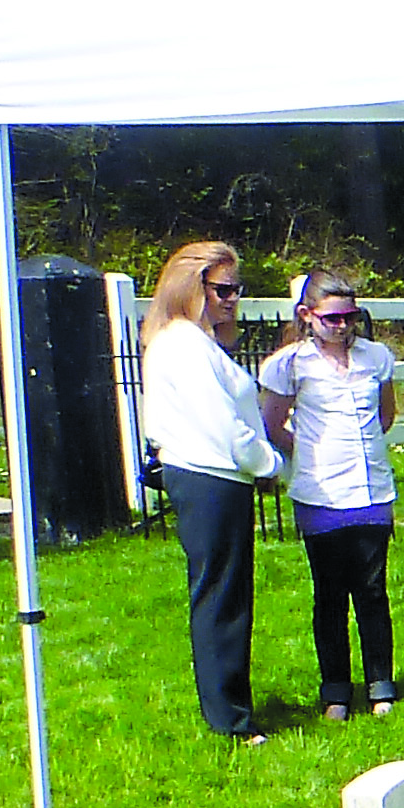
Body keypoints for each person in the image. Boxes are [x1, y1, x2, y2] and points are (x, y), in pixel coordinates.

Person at [137, 240, 277, 742]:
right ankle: (230, 720)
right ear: (191, 287)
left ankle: (232, 708)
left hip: (219, 477)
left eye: (236, 289)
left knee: (228, 594)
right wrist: (268, 462)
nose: (232, 299)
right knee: (219, 597)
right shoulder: (180, 343)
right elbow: (221, 424)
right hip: (208, 476)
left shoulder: (195, 342)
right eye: (222, 289)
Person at [257, 267, 402, 720]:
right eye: (332, 319)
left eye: (350, 318)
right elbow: (272, 422)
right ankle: (335, 690)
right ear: (307, 316)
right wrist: (311, 453)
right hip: (319, 494)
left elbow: (386, 414)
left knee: (373, 592)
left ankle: (381, 686)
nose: (342, 328)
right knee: (330, 595)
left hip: (371, 489)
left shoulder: (376, 358)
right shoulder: (290, 364)